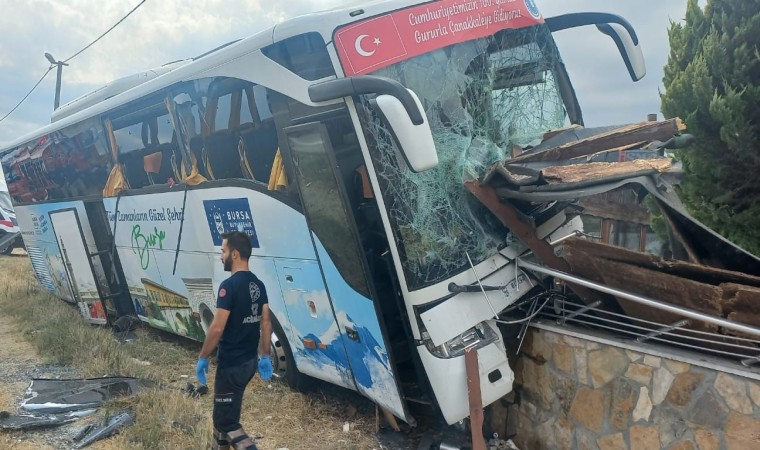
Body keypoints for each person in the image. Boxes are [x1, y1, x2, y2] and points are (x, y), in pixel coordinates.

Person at [196, 231, 273, 450]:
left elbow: (217, 327)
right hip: (249, 362)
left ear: (235, 254)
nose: (221, 256)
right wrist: (265, 356)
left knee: (226, 422)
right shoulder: (258, 285)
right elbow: (266, 323)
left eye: (223, 251)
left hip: (232, 365)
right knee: (221, 417)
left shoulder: (228, 286)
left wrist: (203, 357)